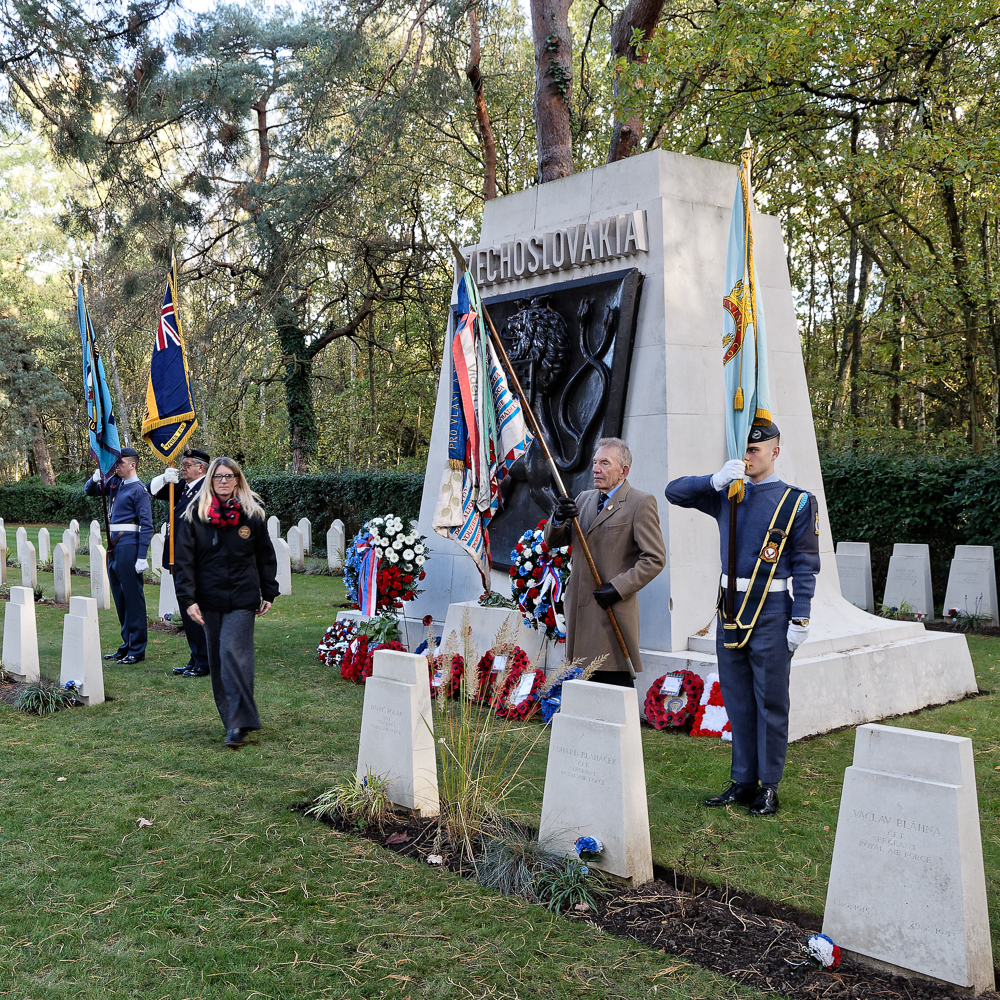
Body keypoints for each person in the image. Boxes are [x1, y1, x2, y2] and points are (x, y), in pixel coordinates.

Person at [665, 423, 820, 817]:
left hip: (772, 611)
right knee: (737, 698)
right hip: (731, 610)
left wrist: (801, 616)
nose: (747, 456)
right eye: (744, 449)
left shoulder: (797, 502)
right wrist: (713, 480)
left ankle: (769, 786)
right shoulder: (728, 494)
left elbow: (806, 563)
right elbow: (674, 492)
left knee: (770, 702)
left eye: (755, 449)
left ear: (775, 452)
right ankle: (743, 780)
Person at [173, 456, 279, 749]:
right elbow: (184, 561)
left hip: (243, 597)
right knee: (218, 660)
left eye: (229, 476)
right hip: (209, 598)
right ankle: (233, 720)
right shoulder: (195, 515)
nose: (223, 481)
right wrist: (188, 599)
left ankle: (238, 723)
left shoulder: (252, 516)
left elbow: (265, 555)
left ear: (237, 480)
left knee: (233, 651)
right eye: (218, 476)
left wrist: (269, 591)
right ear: (211, 480)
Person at [543, 437, 666, 686]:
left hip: (611, 610)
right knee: (583, 682)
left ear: (624, 471)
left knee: (613, 680)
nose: (596, 469)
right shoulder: (584, 499)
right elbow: (554, 541)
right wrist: (558, 518)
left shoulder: (640, 503)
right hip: (580, 610)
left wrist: (618, 588)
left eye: (605, 463)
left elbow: (654, 558)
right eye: (595, 463)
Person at [84, 446, 154, 664]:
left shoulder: (139, 490)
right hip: (113, 547)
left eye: (120, 463)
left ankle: (137, 648)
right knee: (120, 598)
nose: (116, 467)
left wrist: (141, 556)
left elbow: (147, 525)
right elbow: (90, 491)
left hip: (129, 546)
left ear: (132, 465)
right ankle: (127, 644)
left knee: (133, 599)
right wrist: (96, 477)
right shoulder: (116, 484)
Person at [148, 448, 211, 678]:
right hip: (179, 558)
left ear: (201, 468)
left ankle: (205, 660)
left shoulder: (208, 490)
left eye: (187, 465)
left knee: (197, 610)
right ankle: (195, 656)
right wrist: (165, 478)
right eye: (183, 465)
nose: (182, 469)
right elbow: (152, 490)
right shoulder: (183, 487)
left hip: (195, 560)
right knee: (186, 611)